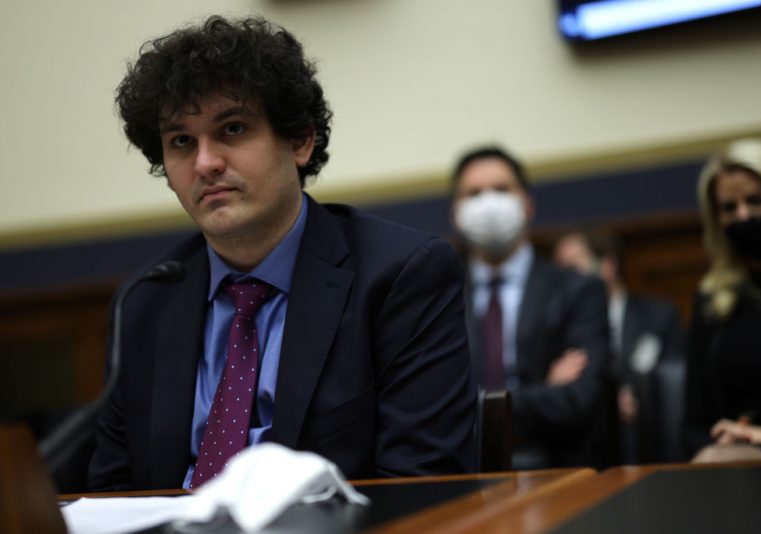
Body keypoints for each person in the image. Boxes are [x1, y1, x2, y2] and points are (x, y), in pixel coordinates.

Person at [88, 16, 477, 491]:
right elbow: (112, 494)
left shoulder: (400, 275)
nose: (206, 163)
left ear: (299, 140)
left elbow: (421, 488)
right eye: (182, 142)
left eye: (232, 128)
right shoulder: (146, 300)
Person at [451, 146, 612, 469]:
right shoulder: (437, 295)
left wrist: (477, 406)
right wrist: (541, 391)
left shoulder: (578, 289)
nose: (489, 203)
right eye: (474, 193)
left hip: (558, 468)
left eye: (501, 189)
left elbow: (580, 401)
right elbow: (424, 404)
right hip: (459, 471)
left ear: (527, 205)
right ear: (455, 214)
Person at [685, 138, 761, 462]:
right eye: (729, 208)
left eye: (756, 201)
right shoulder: (713, 298)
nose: (744, 216)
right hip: (738, 464)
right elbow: (695, 423)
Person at [554, 231, 687, 463]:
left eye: (573, 267)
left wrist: (642, 399)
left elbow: (675, 382)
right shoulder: (558, 328)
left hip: (648, 437)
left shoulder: (658, 317)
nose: (567, 280)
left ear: (607, 265)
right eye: (561, 272)